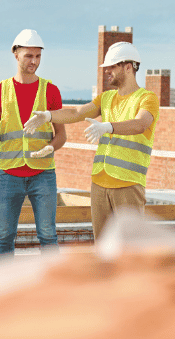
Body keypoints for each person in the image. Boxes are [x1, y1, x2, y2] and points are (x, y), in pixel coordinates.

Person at [22, 41, 158, 239]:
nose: (107, 71)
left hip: (128, 185)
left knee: (131, 249)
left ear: (128, 67)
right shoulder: (106, 98)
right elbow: (77, 112)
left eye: (112, 67)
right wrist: (48, 116)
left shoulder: (147, 98)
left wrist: (108, 127)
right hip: (100, 184)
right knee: (103, 248)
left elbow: (140, 124)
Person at [0, 29, 65, 258]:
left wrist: (51, 147)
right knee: (4, 236)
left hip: (43, 174)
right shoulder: (0, 90)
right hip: (9, 175)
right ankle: (2, 285)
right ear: (16, 54)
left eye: (38, 56)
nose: (34, 61)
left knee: (48, 235)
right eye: (29, 56)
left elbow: (61, 134)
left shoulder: (50, 90)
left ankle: (53, 290)